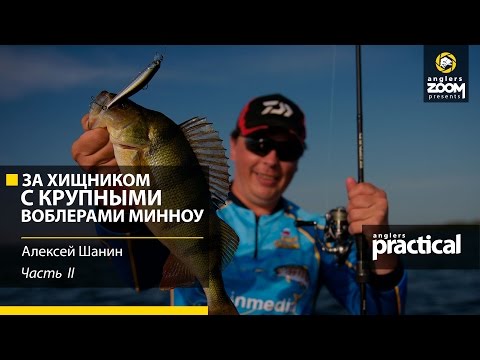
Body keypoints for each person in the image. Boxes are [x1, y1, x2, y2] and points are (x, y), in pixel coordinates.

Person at [72, 93, 407, 315]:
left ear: (298, 160)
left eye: (287, 150)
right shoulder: (202, 211)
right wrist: (113, 196)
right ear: (234, 145)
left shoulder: (316, 234)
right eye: (260, 143)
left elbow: (380, 310)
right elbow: (137, 272)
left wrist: (381, 245)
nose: (272, 159)